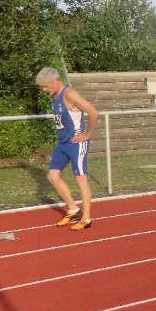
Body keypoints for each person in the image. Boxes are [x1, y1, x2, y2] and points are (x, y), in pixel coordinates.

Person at [36, 67, 99, 230]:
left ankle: (86, 218)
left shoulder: (70, 94)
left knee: (80, 179)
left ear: (54, 81)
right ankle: (73, 209)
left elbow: (93, 112)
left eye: (45, 86)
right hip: (62, 143)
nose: (44, 90)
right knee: (53, 176)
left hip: (76, 143)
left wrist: (87, 135)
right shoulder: (55, 96)